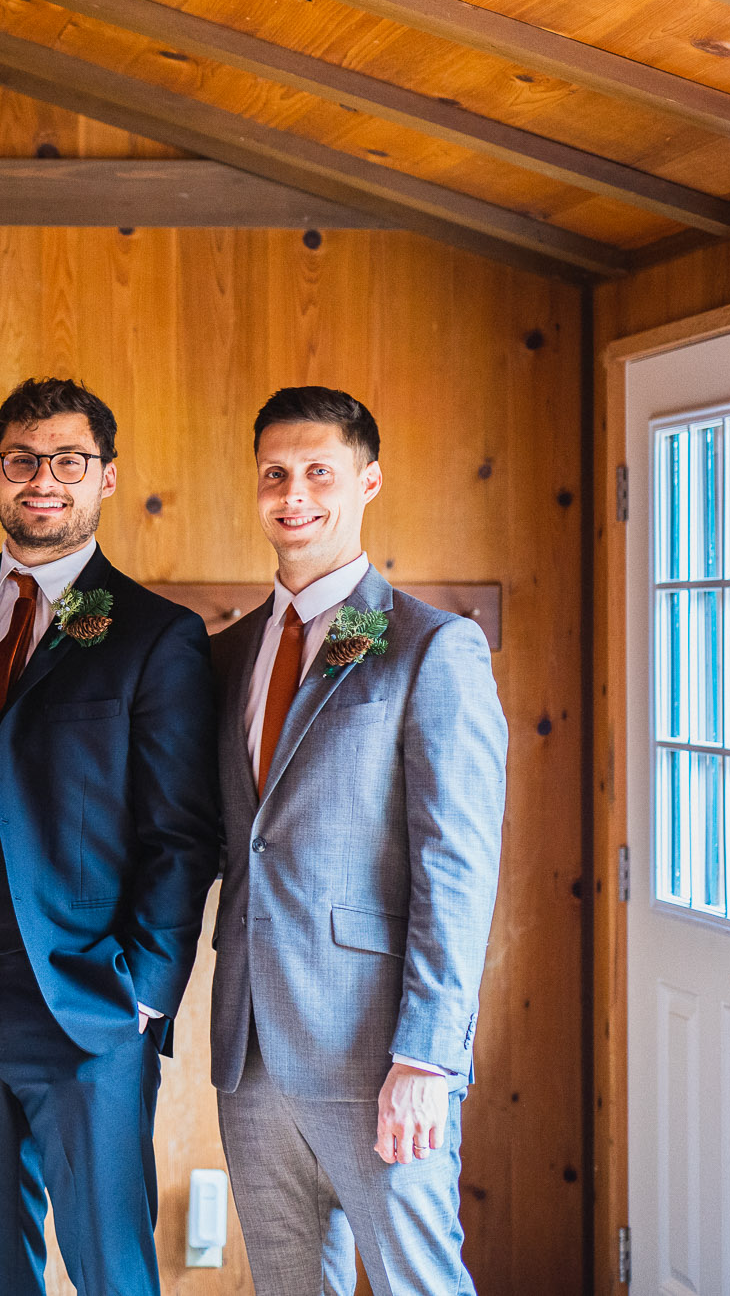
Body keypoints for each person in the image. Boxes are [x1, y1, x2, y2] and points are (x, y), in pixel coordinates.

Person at [0, 378, 222, 1296]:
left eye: (69, 461)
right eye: (24, 460)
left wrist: (144, 990)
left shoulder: (156, 635)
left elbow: (182, 832)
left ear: (106, 477)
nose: (44, 479)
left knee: (112, 1269)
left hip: (91, 999)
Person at [209, 386, 506, 1296]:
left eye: (318, 472)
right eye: (275, 473)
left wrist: (427, 1056)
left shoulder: (428, 646)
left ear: (368, 481)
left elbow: (457, 868)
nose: (293, 494)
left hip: (379, 1054)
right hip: (251, 1055)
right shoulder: (228, 653)